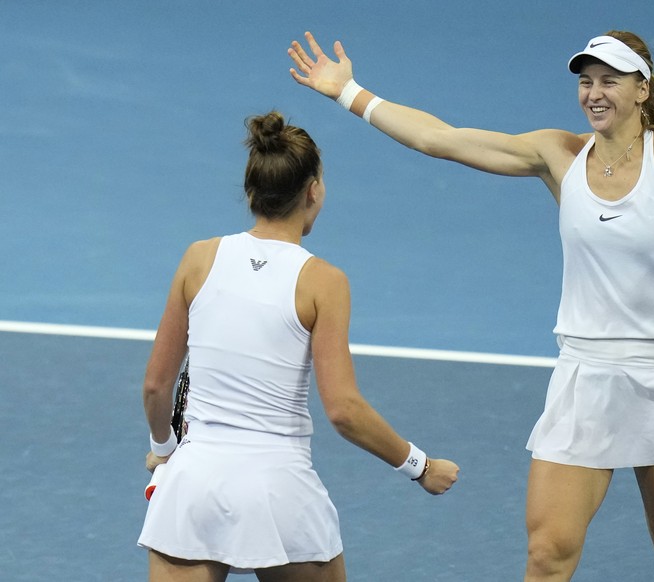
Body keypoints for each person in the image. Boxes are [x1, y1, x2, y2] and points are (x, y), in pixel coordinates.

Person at [289, 30, 654, 581]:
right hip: (585, 378)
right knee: (546, 555)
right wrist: (349, 92)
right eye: (586, 82)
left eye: (609, 81)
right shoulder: (558, 154)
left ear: (641, 88)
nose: (594, 93)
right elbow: (441, 139)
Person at [137, 111, 459, 582]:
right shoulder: (323, 282)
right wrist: (421, 466)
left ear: (252, 192)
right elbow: (344, 410)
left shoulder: (198, 258)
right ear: (313, 191)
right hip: (277, 489)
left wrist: (164, 448)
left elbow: (154, 387)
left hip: (192, 485)